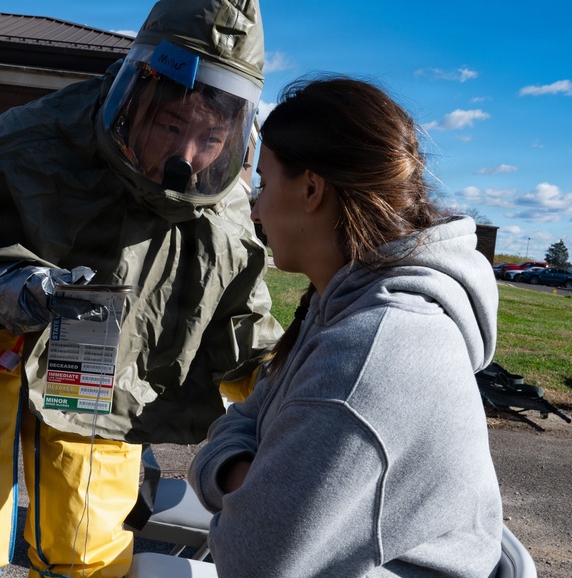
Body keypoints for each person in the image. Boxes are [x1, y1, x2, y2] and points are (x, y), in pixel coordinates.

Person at [0, 0, 281, 578]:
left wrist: (290, 382)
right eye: (171, 126)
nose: (186, 158)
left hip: (102, 359)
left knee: (89, 541)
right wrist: (6, 287)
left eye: (209, 137)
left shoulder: (224, 202)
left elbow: (240, 319)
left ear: (234, 132)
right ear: (139, 96)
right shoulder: (28, 142)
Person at [188, 76, 504, 577]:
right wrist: (244, 476)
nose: (256, 208)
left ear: (311, 189)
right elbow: (245, 419)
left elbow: (249, 560)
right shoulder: (342, 305)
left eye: (266, 183)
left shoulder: (370, 351)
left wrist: (241, 481)